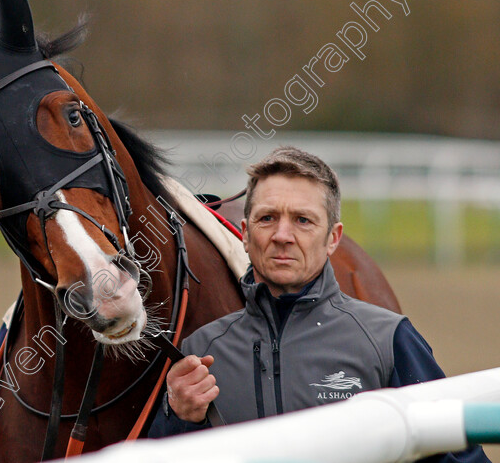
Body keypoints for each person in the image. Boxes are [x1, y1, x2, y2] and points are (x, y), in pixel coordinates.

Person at [148, 146, 488, 462]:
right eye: (267, 218)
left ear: (333, 238)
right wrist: (178, 418)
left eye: (303, 220)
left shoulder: (388, 340)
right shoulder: (200, 353)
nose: (282, 235)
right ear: (246, 236)